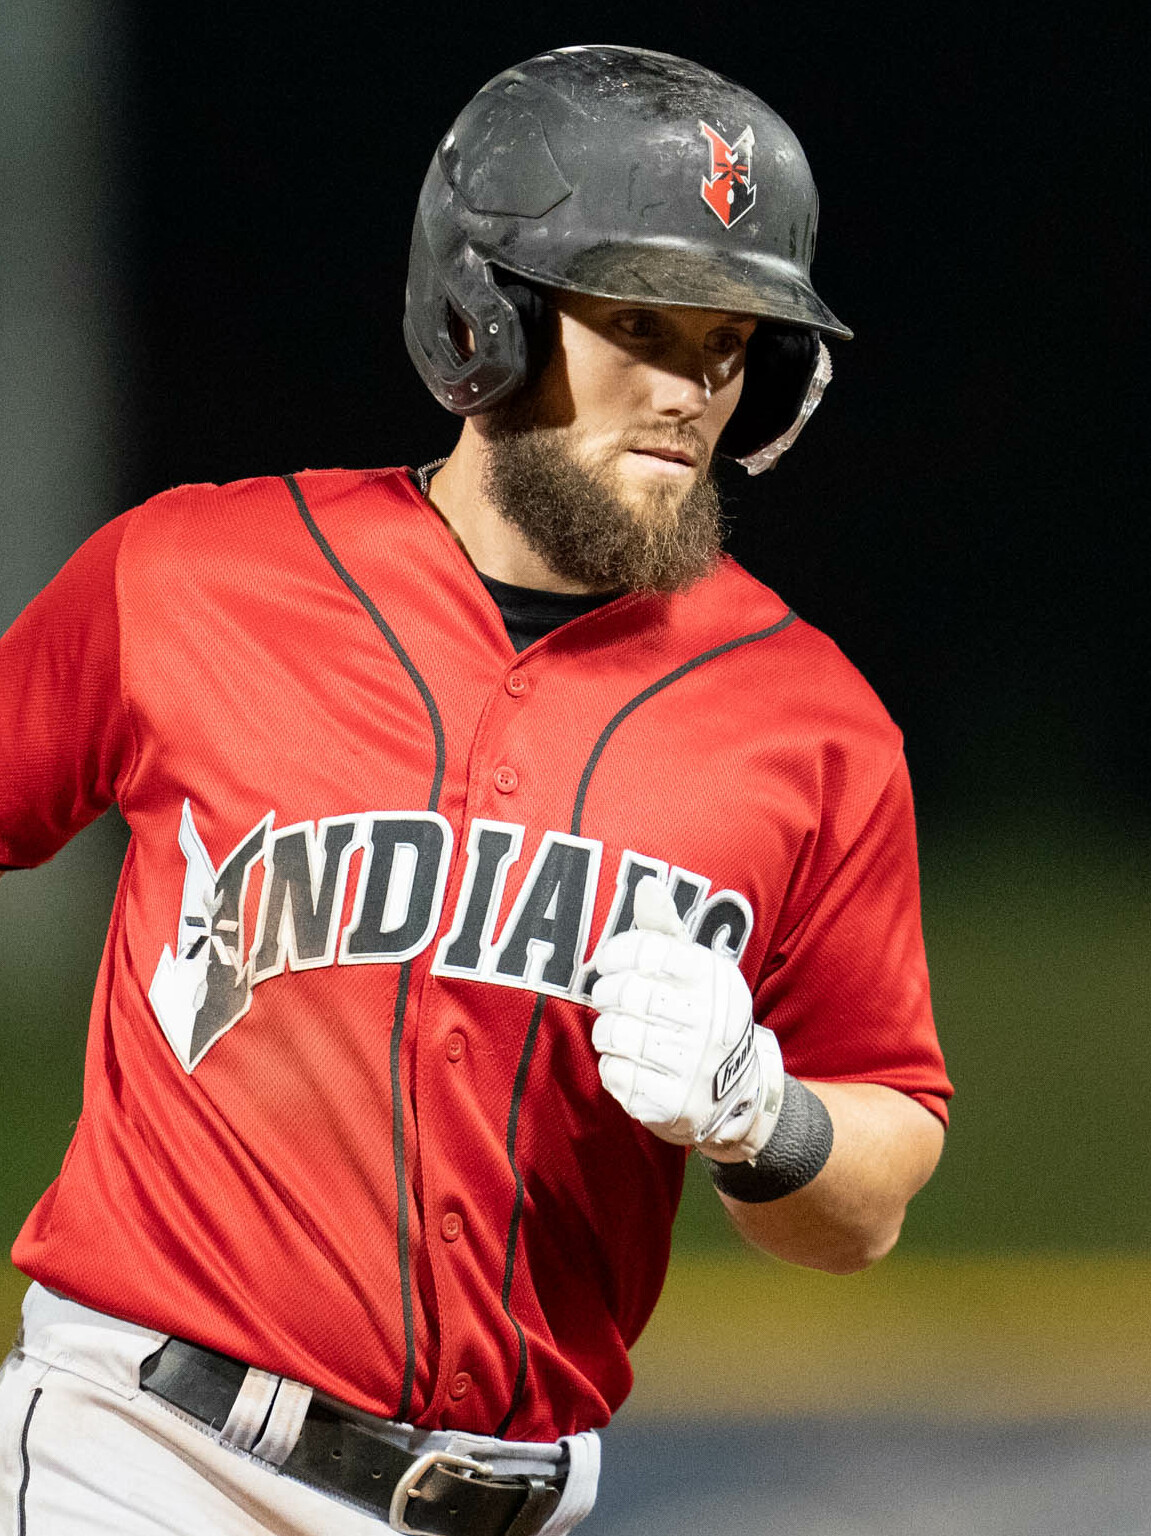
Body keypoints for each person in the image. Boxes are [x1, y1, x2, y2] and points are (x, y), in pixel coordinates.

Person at [0, 43, 951, 1536]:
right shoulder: (190, 579)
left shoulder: (812, 726)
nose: (690, 388)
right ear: (481, 316)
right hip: (145, 1458)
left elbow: (877, 1181)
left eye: (728, 342)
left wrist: (768, 1118)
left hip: (522, 1502)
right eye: (638, 320)